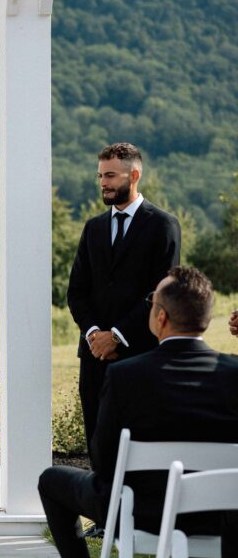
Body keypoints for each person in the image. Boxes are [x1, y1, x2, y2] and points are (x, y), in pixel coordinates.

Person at [39, 266, 238, 558]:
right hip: (219, 517)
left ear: (160, 318)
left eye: (151, 301)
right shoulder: (234, 375)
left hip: (143, 513)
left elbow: (104, 463)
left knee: (51, 481)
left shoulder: (124, 376)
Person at [67, 142, 181, 454]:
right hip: (93, 358)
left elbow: (161, 292)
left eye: (111, 176)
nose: (103, 182)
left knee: (139, 447)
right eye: (100, 175)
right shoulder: (93, 228)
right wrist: (94, 335)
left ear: (134, 175)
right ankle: (102, 504)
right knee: (97, 446)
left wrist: (117, 336)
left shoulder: (163, 225)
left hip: (140, 354)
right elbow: (76, 291)